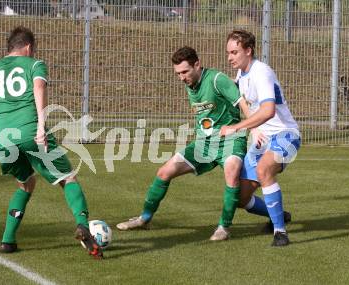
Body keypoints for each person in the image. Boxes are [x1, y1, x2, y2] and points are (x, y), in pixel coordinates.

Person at [0, 26, 103, 258]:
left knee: (26, 183)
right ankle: (83, 224)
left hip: (4, 140)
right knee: (68, 178)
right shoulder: (34, 65)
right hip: (31, 133)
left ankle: (8, 241)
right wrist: (41, 126)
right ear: (28, 47)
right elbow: (39, 86)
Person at [117, 46, 249, 241]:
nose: (181, 77)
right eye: (178, 73)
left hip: (230, 140)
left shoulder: (216, 79)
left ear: (197, 64)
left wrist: (255, 127)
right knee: (164, 172)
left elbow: (242, 102)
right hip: (203, 144)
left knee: (232, 174)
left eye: (185, 72)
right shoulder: (190, 84)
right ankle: (144, 219)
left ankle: (223, 228)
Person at [220, 29, 301, 246]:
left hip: (286, 136)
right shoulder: (241, 73)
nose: (230, 57)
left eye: (234, 52)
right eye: (228, 52)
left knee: (264, 170)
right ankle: (279, 214)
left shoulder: (261, 72)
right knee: (240, 199)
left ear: (248, 50)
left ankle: (280, 232)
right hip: (262, 140)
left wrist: (236, 128)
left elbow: (268, 111)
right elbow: (235, 93)